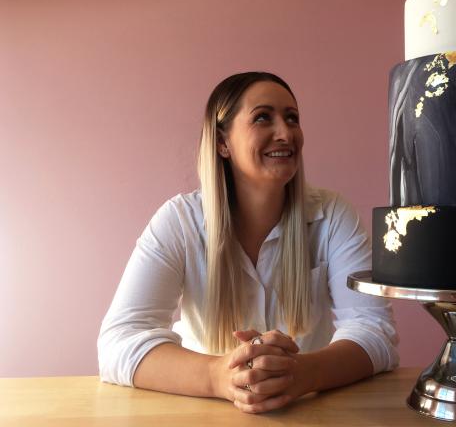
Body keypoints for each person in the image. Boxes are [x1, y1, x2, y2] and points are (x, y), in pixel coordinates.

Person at [97, 71, 399, 413]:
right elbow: (118, 343)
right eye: (262, 118)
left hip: (307, 412)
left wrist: (302, 374)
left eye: (292, 118)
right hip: (204, 412)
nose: (286, 133)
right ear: (222, 143)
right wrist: (219, 377)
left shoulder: (332, 215)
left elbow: (376, 332)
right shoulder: (179, 221)